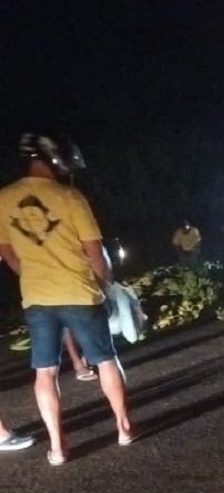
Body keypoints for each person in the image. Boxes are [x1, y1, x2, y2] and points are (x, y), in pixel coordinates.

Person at [0, 132, 134, 465]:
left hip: (37, 298)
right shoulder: (71, 197)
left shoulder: (3, 198)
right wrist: (105, 285)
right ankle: (123, 428)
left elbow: (6, 252)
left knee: (44, 372)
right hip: (79, 292)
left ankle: (58, 447)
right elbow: (95, 252)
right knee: (105, 359)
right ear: (53, 159)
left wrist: (30, 275)